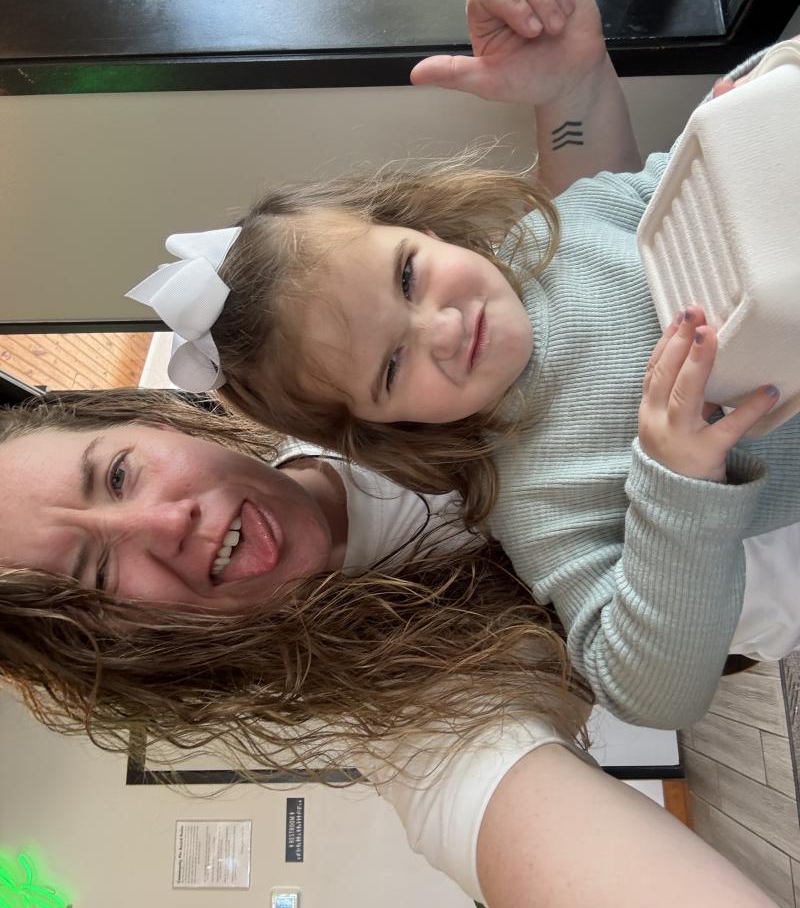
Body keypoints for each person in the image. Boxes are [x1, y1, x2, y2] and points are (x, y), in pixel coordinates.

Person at [126, 0, 800, 729]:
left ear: (421, 228)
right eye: (391, 367)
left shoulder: (557, 233)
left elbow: (695, 171)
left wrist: (751, 96)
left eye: (408, 276)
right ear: (384, 428)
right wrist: (678, 482)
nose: (442, 330)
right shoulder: (534, 497)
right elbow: (650, 693)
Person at [0, 388, 778, 908]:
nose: (164, 524)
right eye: (98, 574)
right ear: (128, 650)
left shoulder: (352, 388)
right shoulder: (409, 721)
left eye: (119, 475)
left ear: (158, 423)